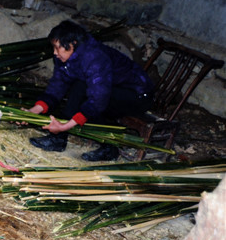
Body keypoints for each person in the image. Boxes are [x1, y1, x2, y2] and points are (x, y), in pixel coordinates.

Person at [27, 20, 154, 162]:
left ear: (72, 44)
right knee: (80, 88)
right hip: (112, 89)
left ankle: (110, 147)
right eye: (53, 48)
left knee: (90, 98)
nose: (54, 53)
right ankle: (58, 140)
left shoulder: (94, 57)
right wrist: (35, 110)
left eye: (58, 48)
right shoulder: (66, 57)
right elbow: (57, 84)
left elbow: (98, 99)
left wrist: (65, 126)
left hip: (137, 95)